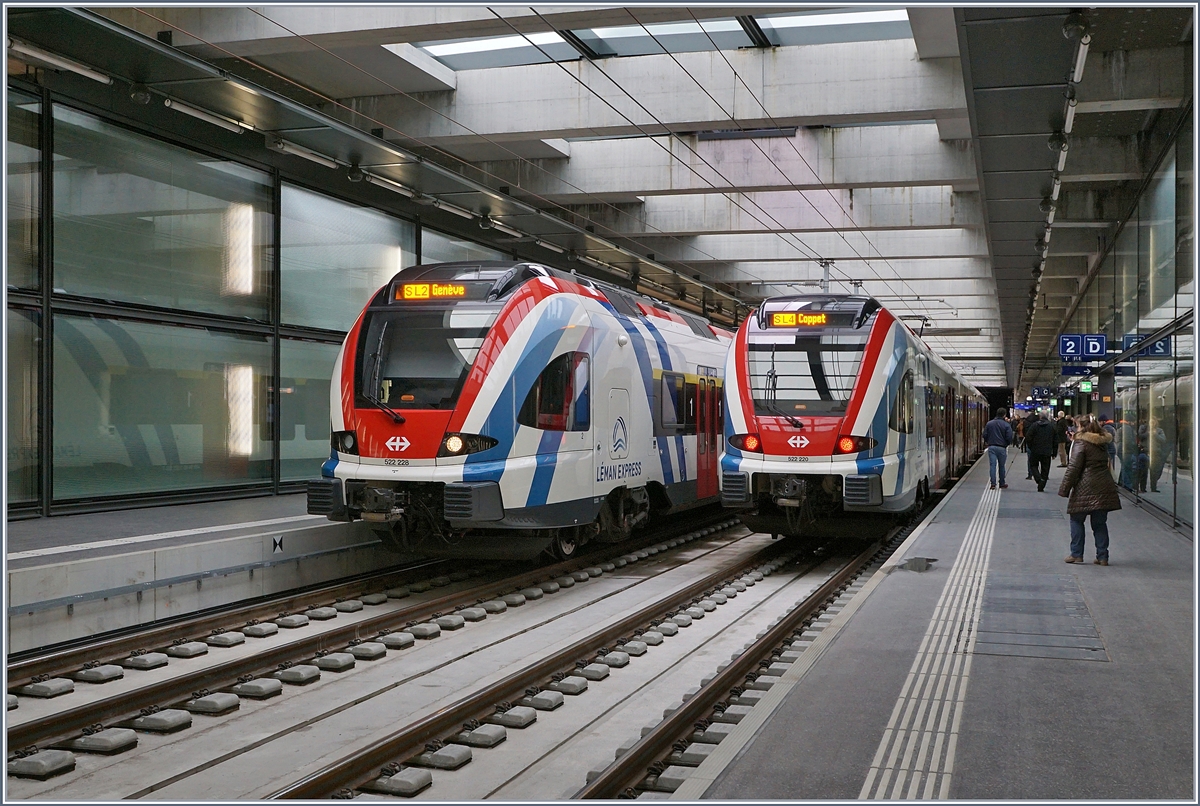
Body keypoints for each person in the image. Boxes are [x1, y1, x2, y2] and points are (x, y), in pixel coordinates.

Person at [1059, 419, 1121, 565]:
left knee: (1076, 519)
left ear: (1083, 428)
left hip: (1085, 486)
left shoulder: (1081, 443)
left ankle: (1076, 554)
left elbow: (1074, 467)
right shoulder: (1102, 443)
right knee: (1100, 523)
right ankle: (1103, 556)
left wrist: (1064, 489)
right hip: (1103, 484)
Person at [1024, 411, 1058, 492]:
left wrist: (1031, 447)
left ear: (1040, 417)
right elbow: (1055, 440)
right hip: (1047, 451)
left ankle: (1038, 478)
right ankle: (1041, 485)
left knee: (1033, 465)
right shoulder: (1052, 426)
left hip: (1035, 450)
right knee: (1045, 469)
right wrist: (1054, 453)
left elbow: (1028, 437)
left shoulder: (1034, 425)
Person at [982, 407, 1014, 490]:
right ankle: (1002, 483)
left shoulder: (989, 423)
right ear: (1004, 415)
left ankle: (993, 484)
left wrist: (988, 441)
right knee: (1002, 466)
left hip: (992, 447)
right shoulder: (1006, 425)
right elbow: (1009, 437)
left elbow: (984, 434)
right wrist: (1006, 444)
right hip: (1002, 448)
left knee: (992, 465)